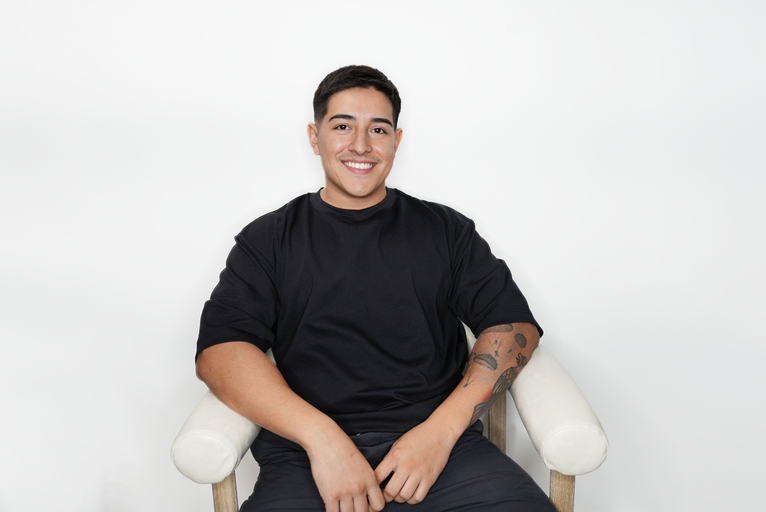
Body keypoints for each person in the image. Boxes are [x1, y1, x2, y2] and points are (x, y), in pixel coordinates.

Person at [195, 65, 556, 512]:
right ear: (314, 137)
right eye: (342, 126)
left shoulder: (446, 230)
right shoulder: (268, 239)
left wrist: (440, 433)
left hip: (443, 452)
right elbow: (220, 353)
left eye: (378, 129)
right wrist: (323, 439)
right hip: (307, 456)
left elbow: (514, 326)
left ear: (396, 141)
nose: (361, 145)